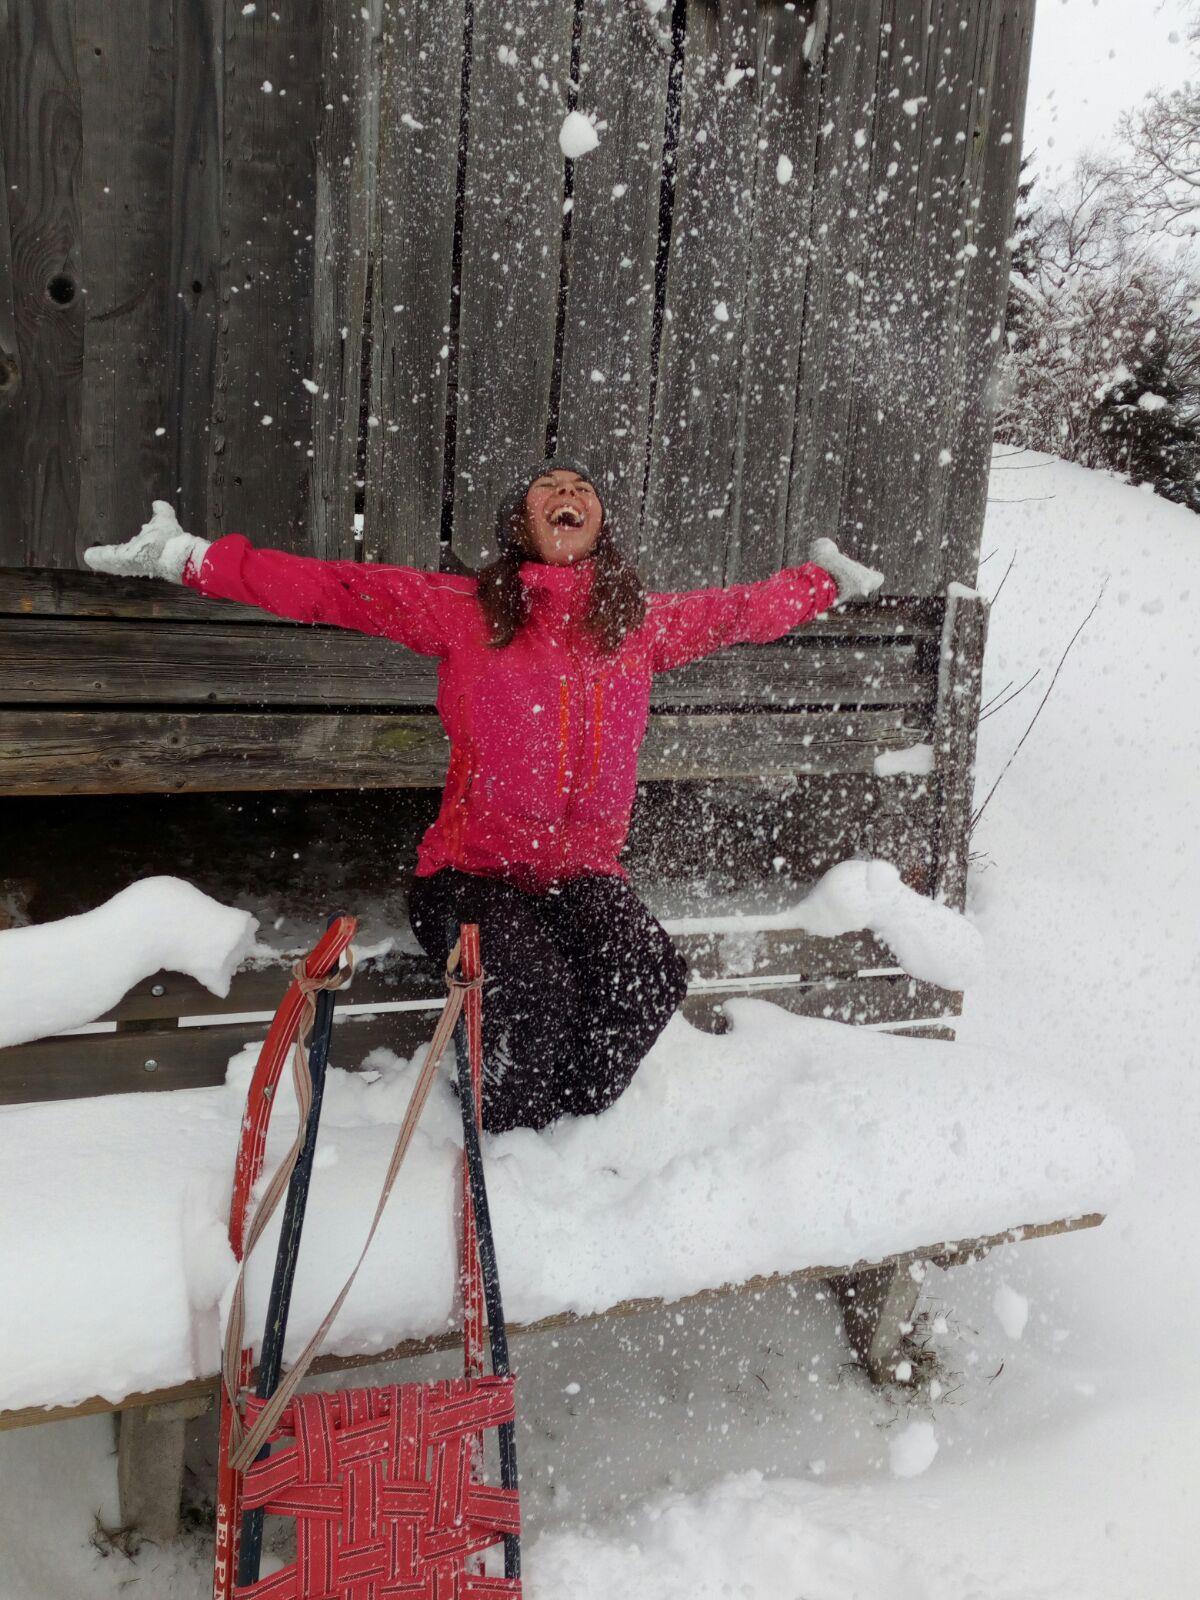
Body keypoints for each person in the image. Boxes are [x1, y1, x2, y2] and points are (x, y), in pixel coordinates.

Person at [84, 461, 884, 1132]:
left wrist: (822, 582)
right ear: (520, 524)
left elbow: (739, 612)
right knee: (532, 995)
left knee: (649, 979)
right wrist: (188, 557)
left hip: (581, 876)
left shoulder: (637, 626)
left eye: (581, 488)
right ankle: (503, 1130)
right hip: (470, 876)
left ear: (599, 525)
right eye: (548, 488)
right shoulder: (468, 613)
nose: (566, 493)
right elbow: (333, 588)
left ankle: (572, 1124)